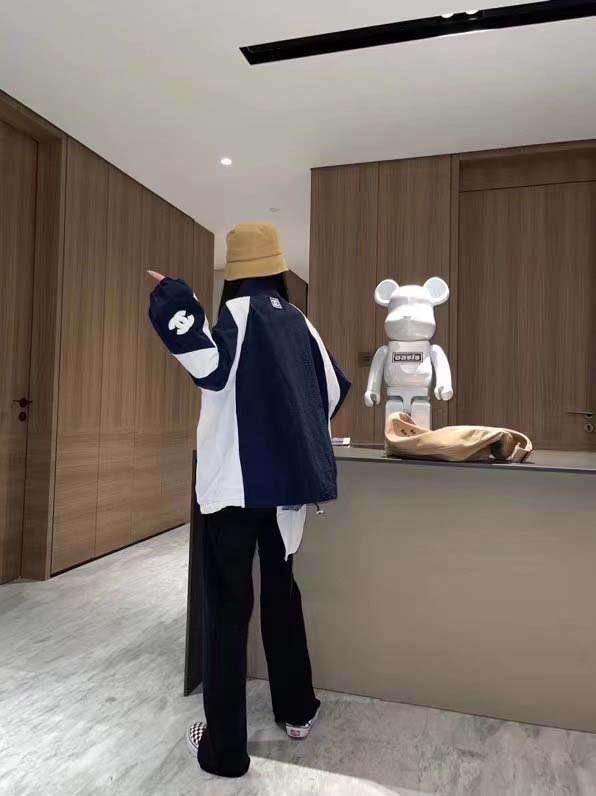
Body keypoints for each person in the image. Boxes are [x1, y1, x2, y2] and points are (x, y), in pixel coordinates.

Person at [147, 222, 350, 778]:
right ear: (278, 268)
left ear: (234, 273)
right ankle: (297, 711)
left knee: (227, 609)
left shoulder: (235, 315)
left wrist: (172, 297)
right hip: (286, 492)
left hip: (232, 491)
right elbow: (334, 388)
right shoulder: (301, 321)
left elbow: (209, 369)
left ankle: (226, 751)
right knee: (282, 595)